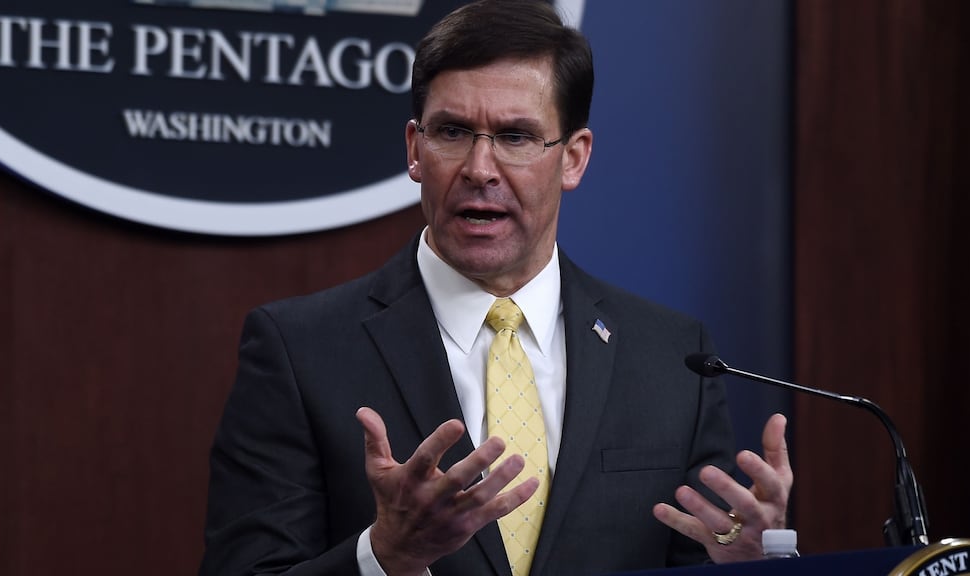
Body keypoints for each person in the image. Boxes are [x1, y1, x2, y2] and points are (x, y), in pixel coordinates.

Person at [198, 1, 793, 575]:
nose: (479, 169)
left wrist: (750, 566)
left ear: (574, 158)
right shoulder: (301, 351)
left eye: (515, 137)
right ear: (415, 149)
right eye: (452, 131)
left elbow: (699, 556)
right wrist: (384, 558)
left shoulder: (671, 358)